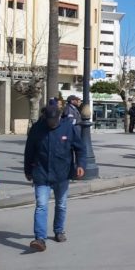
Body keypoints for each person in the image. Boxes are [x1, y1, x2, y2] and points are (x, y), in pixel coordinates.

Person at [24, 105, 86, 252]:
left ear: (59, 117)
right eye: (49, 120)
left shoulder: (68, 128)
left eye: (54, 120)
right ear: (45, 118)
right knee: (41, 205)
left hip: (62, 173)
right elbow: (29, 151)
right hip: (41, 173)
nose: (52, 123)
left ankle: (59, 230)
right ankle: (40, 239)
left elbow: (80, 148)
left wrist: (80, 164)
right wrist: (28, 170)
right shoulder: (37, 129)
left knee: (61, 205)